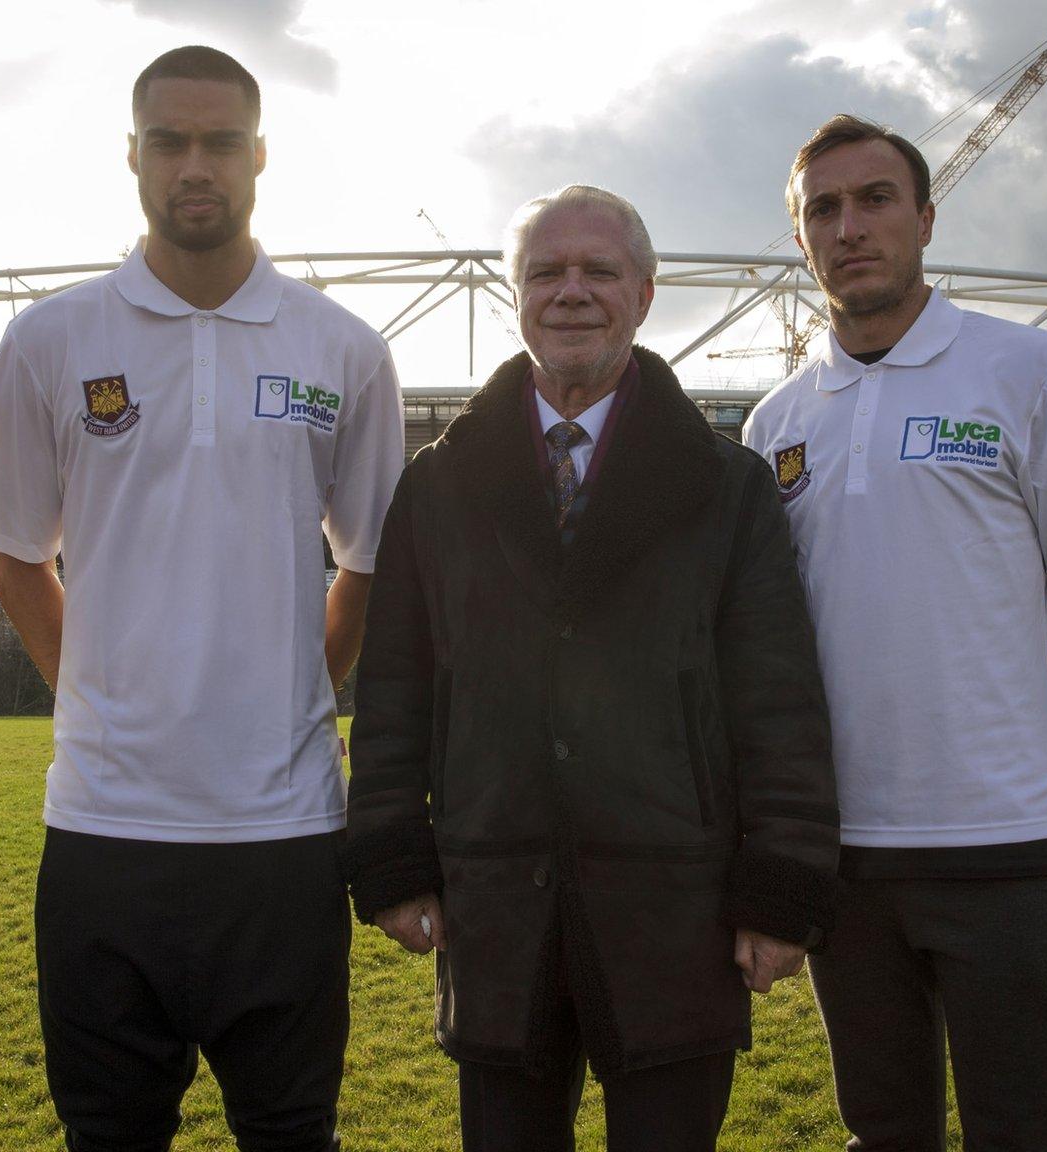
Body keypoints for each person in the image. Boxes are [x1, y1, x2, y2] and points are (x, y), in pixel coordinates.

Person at [0, 45, 405, 1152]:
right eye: (168, 141)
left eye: (217, 142)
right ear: (132, 156)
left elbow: (371, 563)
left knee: (292, 1131)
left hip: (286, 831)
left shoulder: (341, 348)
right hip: (104, 829)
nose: (191, 165)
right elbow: (16, 553)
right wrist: (95, 698)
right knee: (107, 1134)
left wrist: (301, 690)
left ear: (259, 157)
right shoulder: (49, 339)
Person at [343, 184, 839, 1152]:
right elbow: (396, 687)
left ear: (644, 294)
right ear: (514, 295)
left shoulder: (724, 487)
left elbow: (776, 698)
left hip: (672, 909)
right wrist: (395, 860)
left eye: (597, 271)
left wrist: (780, 889)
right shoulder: (439, 484)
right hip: (496, 901)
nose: (570, 292)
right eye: (545, 272)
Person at [743, 114, 1047, 1150]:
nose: (848, 227)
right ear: (799, 240)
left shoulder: (1028, 371)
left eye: (874, 199)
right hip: (846, 859)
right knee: (882, 1132)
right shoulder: (775, 422)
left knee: (1019, 1130)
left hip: (1003, 851)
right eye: (821, 210)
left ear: (924, 218)